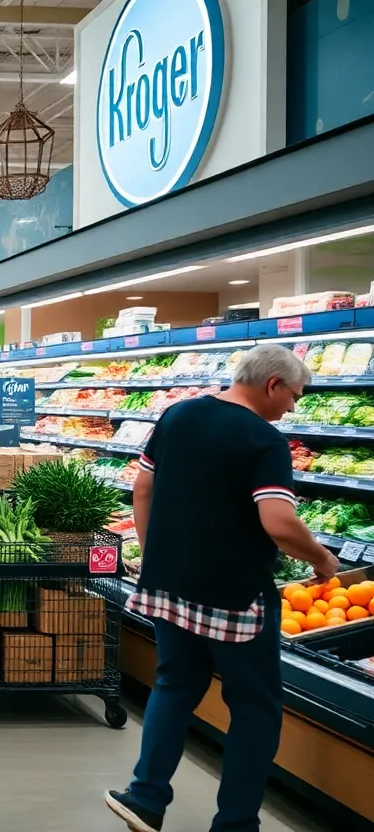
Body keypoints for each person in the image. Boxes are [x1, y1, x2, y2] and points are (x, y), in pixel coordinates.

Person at [105, 345, 339, 832]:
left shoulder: (178, 414)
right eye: (294, 396)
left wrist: (155, 557)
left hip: (168, 586)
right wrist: (321, 557)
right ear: (273, 384)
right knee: (255, 711)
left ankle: (146, 797)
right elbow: (277, 521)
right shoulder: (262, 439)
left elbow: (142, 490)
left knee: (173, 686)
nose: (293, 407)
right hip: (235, 598)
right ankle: (234, 824)